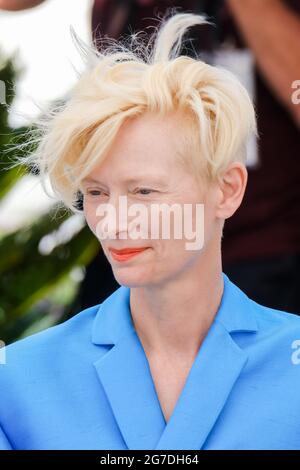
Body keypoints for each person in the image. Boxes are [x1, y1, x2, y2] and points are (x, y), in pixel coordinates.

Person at [1, 12, 300, 450]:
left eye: (144, 192)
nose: (115, 222)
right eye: (97, 193)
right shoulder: (19, 381)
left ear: (227, 189)